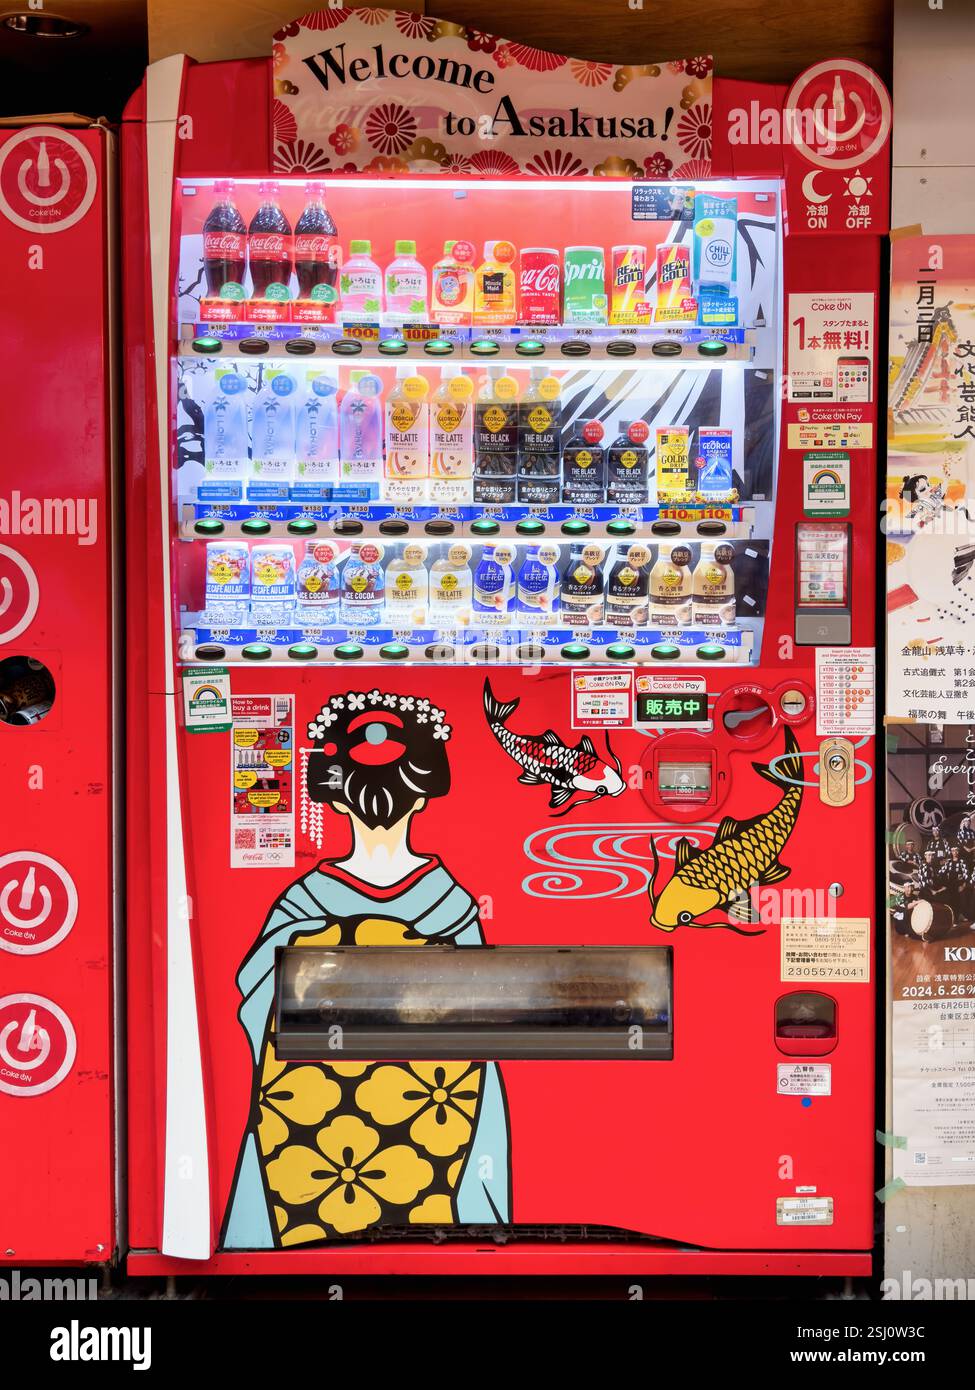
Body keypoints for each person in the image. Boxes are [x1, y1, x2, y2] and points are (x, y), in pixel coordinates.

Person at [222, 689, 511, 1249]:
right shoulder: (449, 902)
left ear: (331, 798)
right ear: (426, 795)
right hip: (434, 1125)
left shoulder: (303, 901)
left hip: (307, 1132)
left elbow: (252, 993)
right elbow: (488, 1026)